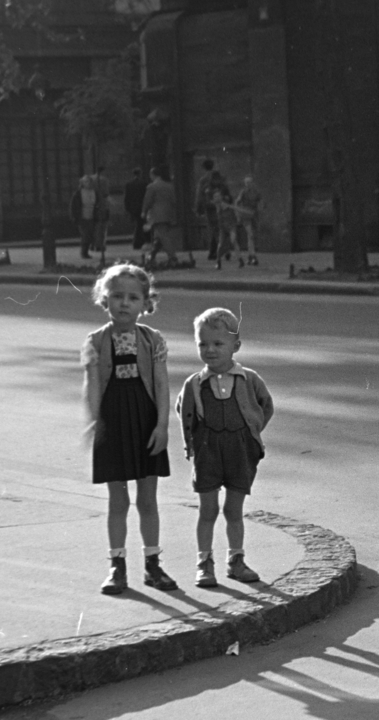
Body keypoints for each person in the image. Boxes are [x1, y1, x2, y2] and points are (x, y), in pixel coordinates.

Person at [81, 262, 180, 595]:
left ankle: (153, 565)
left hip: (145, 420)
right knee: (118, 500)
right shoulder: (96, 341)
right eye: (117, 296)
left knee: (148, 499)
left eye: (133, 297)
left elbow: (162, 385)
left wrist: (162, 426)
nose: (124, 303)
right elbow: (93, 385)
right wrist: (96, 423)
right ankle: (117, 566)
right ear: (104, 299)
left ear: (145, 303)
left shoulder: (153, 340)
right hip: (114, 423)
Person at [176, 307, 274, 588]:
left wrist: (251, 434)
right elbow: (183, 411)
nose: (210, 350)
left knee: (233, 510)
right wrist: (193, 443)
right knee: (207, 510)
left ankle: (236, 560)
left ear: (236, 346)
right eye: (203, 344)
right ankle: (204, 563)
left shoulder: (249, 379)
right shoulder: (194, 383)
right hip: (207, 452)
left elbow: (265, 406)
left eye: (218, 343)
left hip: (239, 451)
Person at [141, 165, 180, 269]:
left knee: (163, 237)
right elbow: (173, 200)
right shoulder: (169, 186)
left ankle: (173, 257)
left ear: (153, 175)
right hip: (168, 213)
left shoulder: (152, 187)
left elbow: (148, 200)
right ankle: (151, 256)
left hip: (157, 214)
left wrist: (144, 211)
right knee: (158, 237)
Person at [71, 168, 110, 260]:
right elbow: (74, 206)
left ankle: (86, 251)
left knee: (91, 235)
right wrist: (75, 217)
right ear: (82, 183)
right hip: (82, 217)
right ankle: (84, 252)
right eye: (86, 182)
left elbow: (98, 203)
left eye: (89, 181)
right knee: (85, 235)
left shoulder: (94, 192)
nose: (88, 183)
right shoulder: (78, 194)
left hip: (92, 217)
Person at [193, 158, 227, 260]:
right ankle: (219, 249)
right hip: (221, 205)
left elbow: (199, 195)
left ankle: (215, 250)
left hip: (209, 207)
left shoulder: (203, 179)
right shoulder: (220, 177)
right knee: (219, 227)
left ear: (204, 168)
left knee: (212, 228)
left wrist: (197, 208)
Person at [211, 184, 240, 269]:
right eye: (215, 196)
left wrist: (236, 215)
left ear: (221, 196)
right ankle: (218, 261)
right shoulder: (216, 204)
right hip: (222, 228)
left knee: (233, 241)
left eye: (218, 196)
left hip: (231, 226)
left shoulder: (226, 202)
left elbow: (234, 209)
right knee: (220, 245)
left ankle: (240, 259)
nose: (217, 198)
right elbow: (215, 205)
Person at [234, 176, 261, 265]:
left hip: (254, 215)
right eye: (246, 183)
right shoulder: (243, 192)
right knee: (250, 234)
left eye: (250, 182)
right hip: (246, 216)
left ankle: (250, 256)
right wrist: (238, 213)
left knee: (252, 236)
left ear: (252, 183)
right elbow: (237, 202)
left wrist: (260, 208)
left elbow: (260, 202)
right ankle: (253, 256)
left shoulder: (256, 192)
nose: (248, 184)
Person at [123, 168, 148, 252]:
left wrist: (127, 208)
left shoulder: (129, 184)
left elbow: (126, 197)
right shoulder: (144, 184)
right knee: (140, 224)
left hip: (133, 208)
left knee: (138, 224)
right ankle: (138, 242)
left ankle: (138, 242)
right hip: (141, 206)